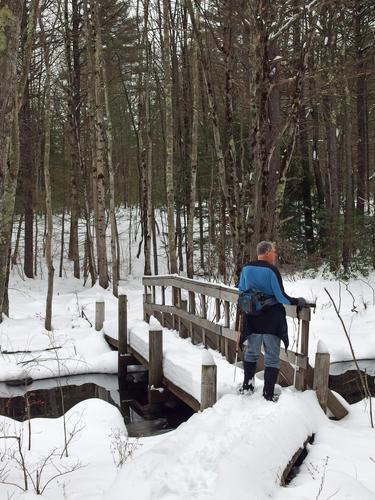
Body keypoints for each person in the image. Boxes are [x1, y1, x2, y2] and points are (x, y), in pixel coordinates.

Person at [238, 241, 306, 401]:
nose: (275, 255)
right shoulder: (271, 270)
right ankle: (268, 393)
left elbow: (241, 290)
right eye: (274, 252)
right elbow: (281, 297)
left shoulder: (246, 268)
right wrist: (297, 301)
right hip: (271, 319)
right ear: (267, 252)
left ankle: (247, 385)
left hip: (252, 316)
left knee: (252, 352)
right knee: (272, 356)